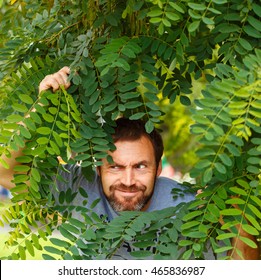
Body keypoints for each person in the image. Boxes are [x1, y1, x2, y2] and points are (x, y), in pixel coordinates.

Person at [0, 67, 259, 259]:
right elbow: (5, 171)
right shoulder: (79, 188)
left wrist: (239, 212)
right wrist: (42, 106)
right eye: (115, 166)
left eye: (140, 166)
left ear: (158, 169)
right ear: (98, 167)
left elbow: (245, 266)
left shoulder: (190, 208)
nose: (127, 180)